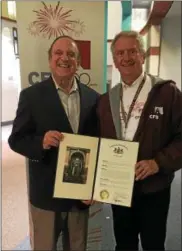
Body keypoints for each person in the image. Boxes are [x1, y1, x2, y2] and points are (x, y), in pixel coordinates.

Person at [8, 35, 99, 251]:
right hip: (46, 194)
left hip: (79, 194)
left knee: (77, 247)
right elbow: (16, 140)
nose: (64, 58)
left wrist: (95, 185)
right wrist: (41, 142)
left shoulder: (94, 98)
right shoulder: (31, 96)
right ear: (50, 60)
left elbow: (98, 144)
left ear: (78, 62)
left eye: (71, 54)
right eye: (58, 53)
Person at [96, 30, 182, 250]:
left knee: (153, 244)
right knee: (124, 244)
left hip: (154, 188)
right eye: (120, 53)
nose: (126, 58)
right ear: (114, 60)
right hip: (119, 188)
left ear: (143, 55)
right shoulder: (106, 101)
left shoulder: (167, 93)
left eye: (132, 51)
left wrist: (158, 163)